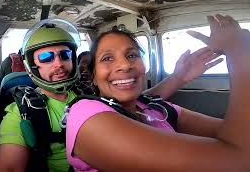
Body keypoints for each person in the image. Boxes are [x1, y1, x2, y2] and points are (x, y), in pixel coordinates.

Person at [0, 18, 221, 172]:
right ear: (31, 66)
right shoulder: (23, 111)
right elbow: (8, 167)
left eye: (64, 55)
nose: (58, 64)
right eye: (47, 58)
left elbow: (142, 103)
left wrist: (179, 77)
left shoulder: (89, 91)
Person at [65, 14, 250, 171]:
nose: (125, 65)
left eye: (132, 55)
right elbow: (239, 162)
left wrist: (179, 76)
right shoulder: (86, 116)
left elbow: (236, 133)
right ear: (93, 76)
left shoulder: (154, 108)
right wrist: (238, 51)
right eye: (107, 58)